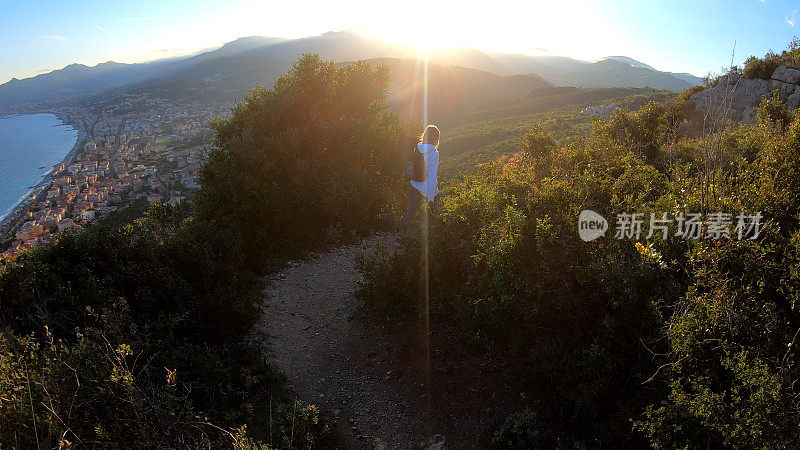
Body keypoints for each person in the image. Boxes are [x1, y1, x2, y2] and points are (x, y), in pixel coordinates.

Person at [394, 124, 440, 246]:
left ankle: (399, 238)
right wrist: (431, 198)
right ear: (436, 139)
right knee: (436, 213)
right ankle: (437, 239)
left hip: (414, 185)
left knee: (410, 212)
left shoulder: (417, 148)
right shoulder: (434, 154)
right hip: (428, 190)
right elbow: (431, 176)